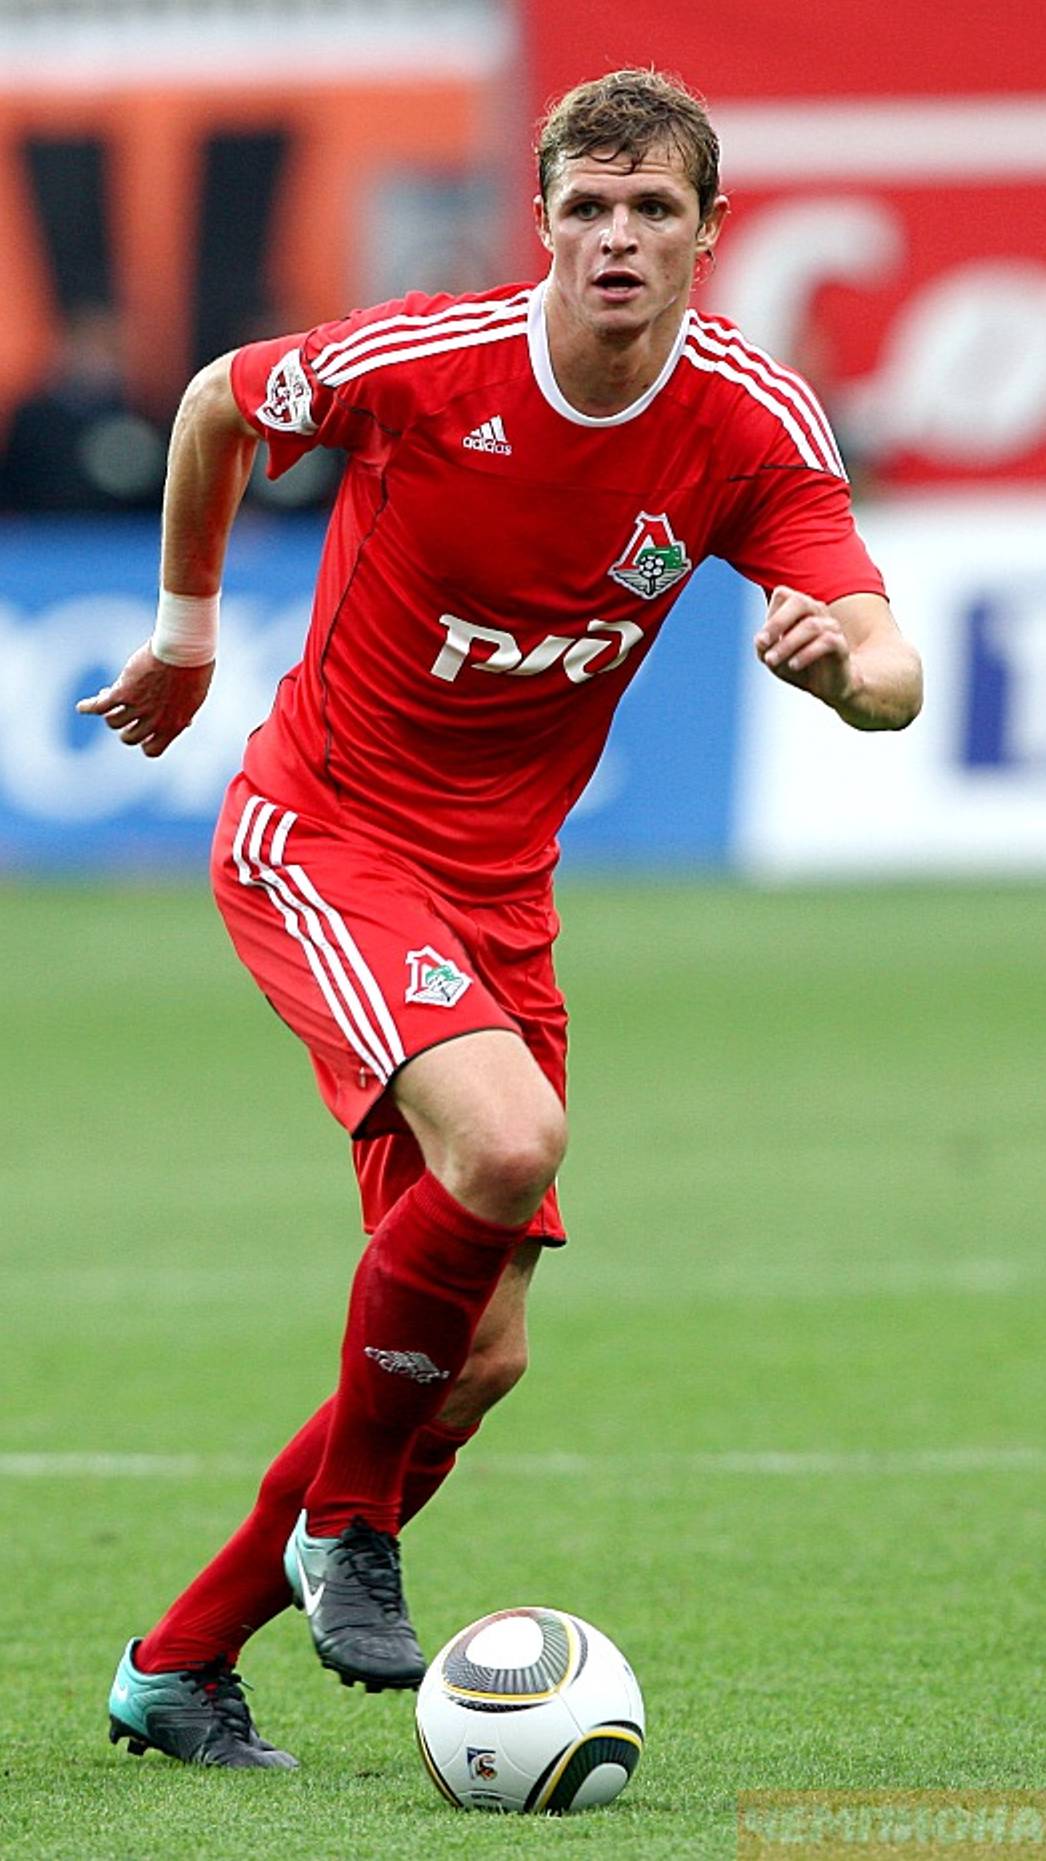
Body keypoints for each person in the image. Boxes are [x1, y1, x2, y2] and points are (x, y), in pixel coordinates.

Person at [80, 68, 922, 1770]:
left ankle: (177, 1664)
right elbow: (216, 403)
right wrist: (184, 633)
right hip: (323, 834)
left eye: (650, 209)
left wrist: (845, 675)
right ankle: (345, 1527)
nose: (615, 237)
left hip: (497, 893)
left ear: (707, 230)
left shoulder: (745, 421)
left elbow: (888, 659)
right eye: (586, 207)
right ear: (539, 222)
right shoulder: (429, 363)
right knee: (511, 1137)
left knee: (475, 1362)